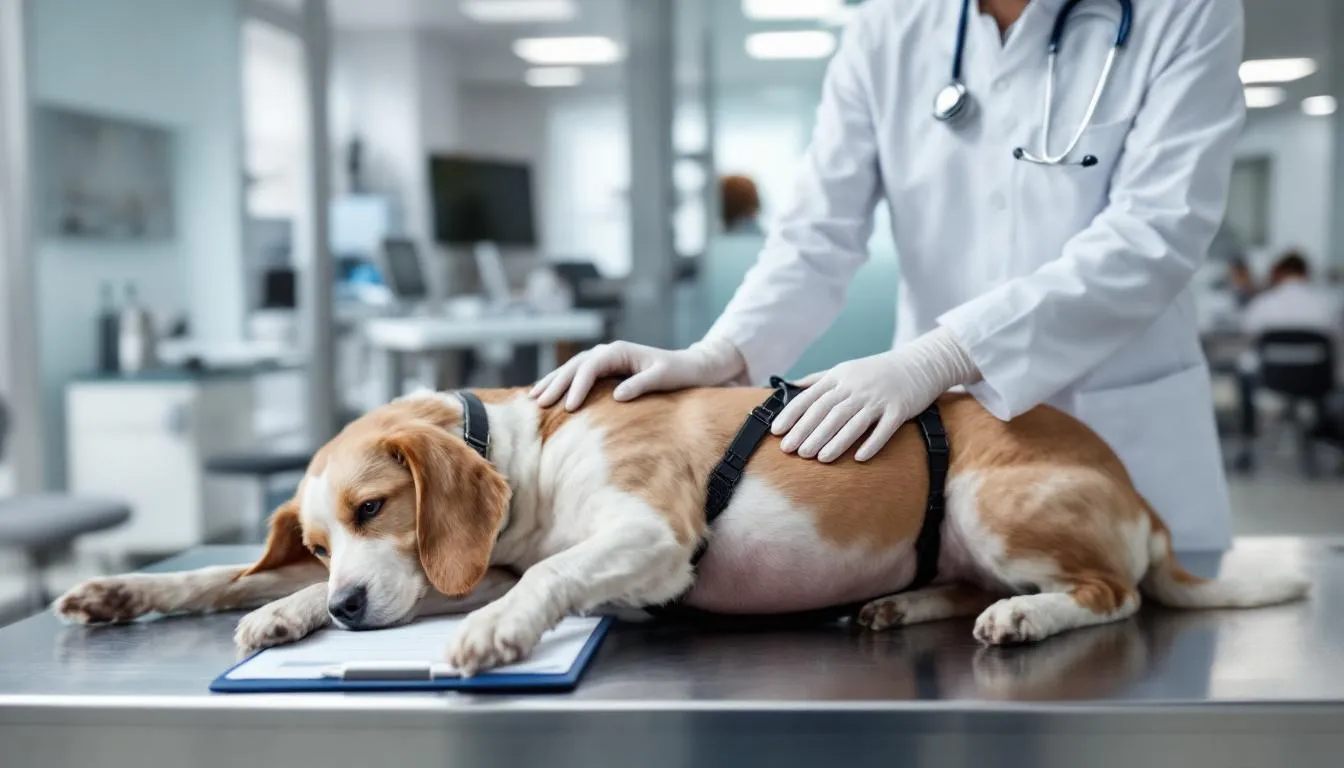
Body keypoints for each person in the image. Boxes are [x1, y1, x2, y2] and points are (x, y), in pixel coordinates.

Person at [533, 0, 1245, 553]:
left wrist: (944, 354)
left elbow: (1156, 232)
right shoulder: (890, 24)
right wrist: (721, 354)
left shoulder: (1182, 12)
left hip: (1122, 427)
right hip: (951, 455)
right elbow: (817, 234)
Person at [1242, 252, 1344, 339]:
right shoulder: (1328, 305)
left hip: (1273, 361)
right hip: (1315, 362)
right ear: (1306, 274)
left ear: (1277, 274)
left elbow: (1248, 335)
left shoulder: (1261, 304)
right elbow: (1337, 336)